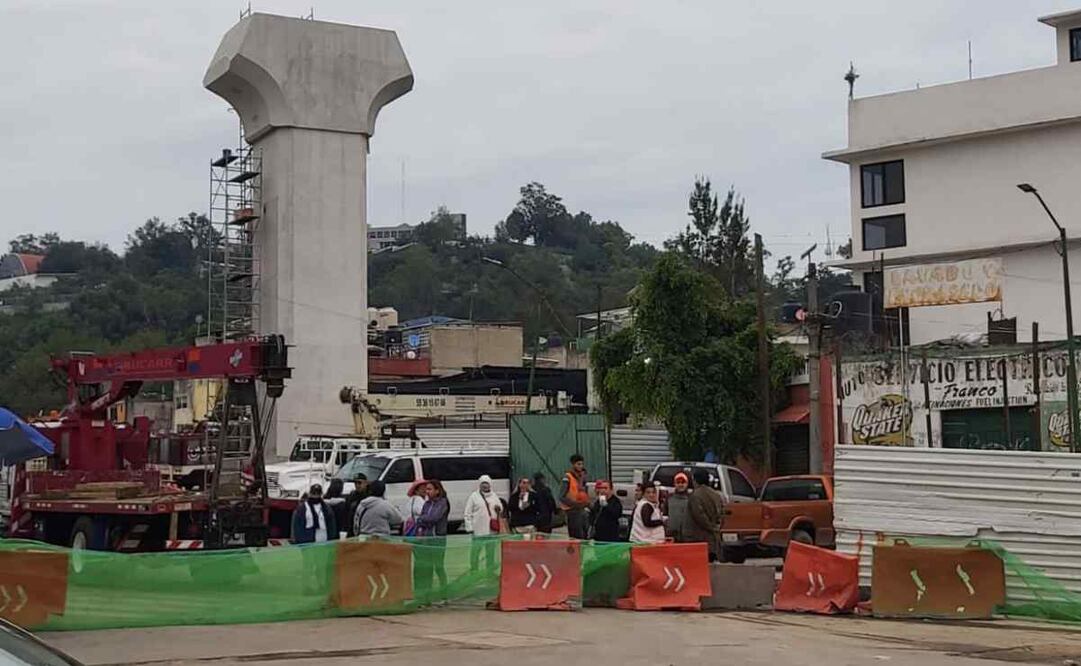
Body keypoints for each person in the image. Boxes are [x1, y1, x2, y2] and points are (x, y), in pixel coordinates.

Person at [413, 480, 450, 601]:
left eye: (430, 489)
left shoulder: (443, 503)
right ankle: (426, 595)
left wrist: (423, 519)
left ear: (437, 490)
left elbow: (434, 518)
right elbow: (421, 519)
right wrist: (423, 520)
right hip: (426, 539)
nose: (427, 492)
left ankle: (444, 593)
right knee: (427, 568)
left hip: (438, 540)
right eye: (426, 489)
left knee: (438, 567)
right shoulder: (427, 504)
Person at [464, 475, 503, 572]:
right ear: (479, 484)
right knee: (475, 553)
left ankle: (489, 572)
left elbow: (500, 508)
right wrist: (470, 528)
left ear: (490, 485)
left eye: (487, 483)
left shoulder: (494, 496)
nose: (485, 486)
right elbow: (467, 513)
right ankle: (474, 571)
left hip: (491, 531)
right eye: (483, 483)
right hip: (478, 531)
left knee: (490, 553)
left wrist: (499, 508)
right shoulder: (474, 496)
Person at [686, 468, 724, 561]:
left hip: (700, 538)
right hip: (714, 538)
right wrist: (717, 527)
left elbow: (699, 515)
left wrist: (710, 527)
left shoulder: (695, 495)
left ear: (695, 480)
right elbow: (721, 513)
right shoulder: (716, 495)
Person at [560, 454, 590, 539]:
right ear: (573, 464)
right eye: (578, 464)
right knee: (576, 535)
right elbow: (562, 496)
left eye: (582, 464)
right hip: (572, 510)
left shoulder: (583, 477)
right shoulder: (568, 477)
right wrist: (575, 504)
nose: (581, 466)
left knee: (585, 534)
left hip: (583, 509)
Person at [665, 472, 693, 542]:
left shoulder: (691, 498)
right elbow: (665, 515)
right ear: (674, 484)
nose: (680, 485)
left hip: (688, 534)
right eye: (678, 482)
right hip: (672, 534)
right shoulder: (669, 498)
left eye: (683, 482)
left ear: (687, 484)